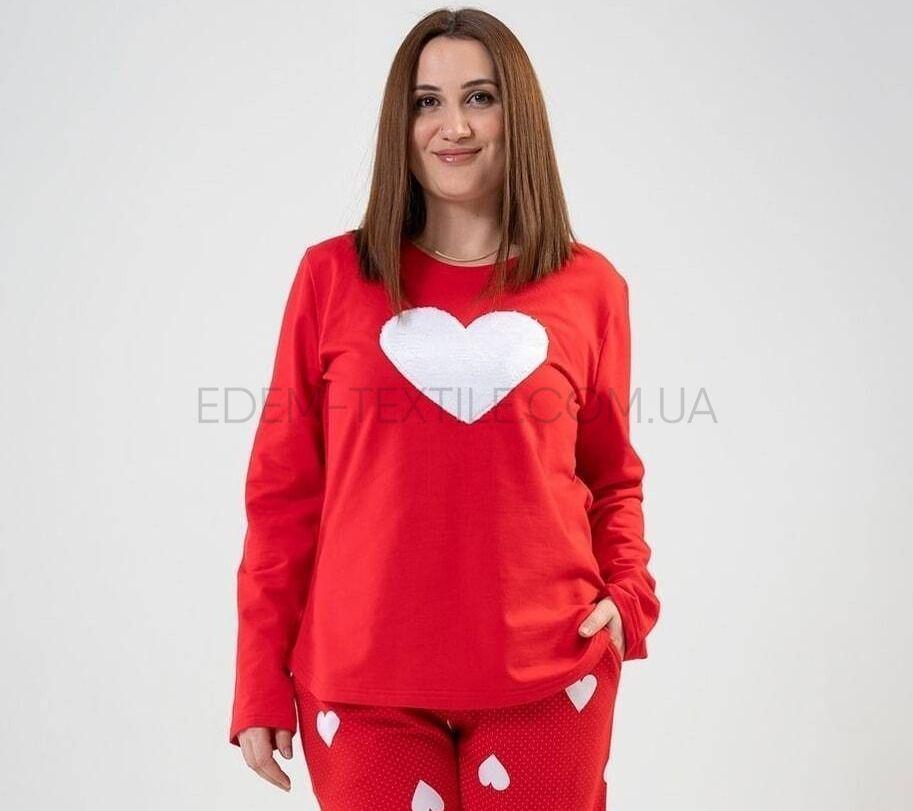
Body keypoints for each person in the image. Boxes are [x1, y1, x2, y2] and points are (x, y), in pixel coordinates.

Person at [228, 7, 660, 809]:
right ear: (401, 122)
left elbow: (610, 476)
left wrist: (627, 599)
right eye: (426, 101)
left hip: (549, 670)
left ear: (516, 114)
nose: (452, 126)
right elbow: (283, 493)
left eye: (479, 97)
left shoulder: (590, 286)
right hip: (359, 684)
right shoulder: (330, 277)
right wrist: (258, 674)